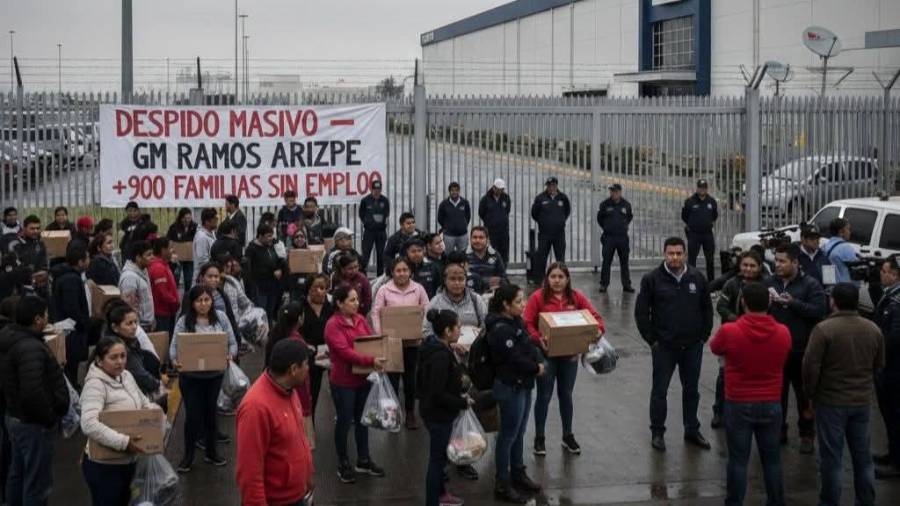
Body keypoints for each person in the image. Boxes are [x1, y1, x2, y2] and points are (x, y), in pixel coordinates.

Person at [709, 282, 792, 506]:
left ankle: (734, 501)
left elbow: (715, 347)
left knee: (738, 460)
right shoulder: (783, 332)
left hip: (738, 402)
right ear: (769, 303)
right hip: (772, 402)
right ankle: (776, 500)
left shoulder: (730, 330)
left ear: (743, 302)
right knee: (772, 459)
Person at [803, 283, 884, 505]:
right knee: (863, 458)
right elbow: (878, 365)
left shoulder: (823, 329)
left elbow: (810, 367)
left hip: (831, 401)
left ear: (833, 302)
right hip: (861, 401)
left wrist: (810, 395)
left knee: (831, 459)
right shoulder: (873, 329)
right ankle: (866, 499)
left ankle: (830, 501)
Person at [635, 236, 713, 452]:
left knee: (692, 390)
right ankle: (658, 432)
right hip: (665, 348)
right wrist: (653, 340)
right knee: (660, 391)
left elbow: (707, 308)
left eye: (679, 253)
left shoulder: (697, 278)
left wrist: (703, 336)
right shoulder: (652, 279)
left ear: (685, 254)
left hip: (692, 346)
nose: (675, 257)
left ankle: (692, 429)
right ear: (664, 254)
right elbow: (642, 313)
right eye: (671, 253)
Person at [524, 262, 605, 457]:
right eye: (553, 277)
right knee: (543, 396)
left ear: (567, 279)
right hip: (546, 355)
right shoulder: (537, 298)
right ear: (547, 278)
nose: (557, 281)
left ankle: (567, 435)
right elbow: (526, 323)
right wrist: (537, 339)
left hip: (569, 356)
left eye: (561, 277)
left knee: (566, 395)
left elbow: (596, 318)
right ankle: (540, 438)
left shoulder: (576, 297)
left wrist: (598, 331)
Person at [0, 296, 69, 506]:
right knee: (37, 484)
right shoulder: (30, 347)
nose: (48, 318)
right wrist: (48, 418)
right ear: (38, 319)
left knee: (18, 474)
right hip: (33, 424)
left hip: (15, 416)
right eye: (46, 314)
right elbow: (32, 392)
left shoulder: (9, 337)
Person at [80, 335, 161, 506]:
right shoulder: (95, 385)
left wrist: (154, 417)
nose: (119, 362)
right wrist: (124, 442)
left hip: (129, 461)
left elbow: (143, 402)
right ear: (99, 361)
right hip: (105, 466)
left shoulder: (126, 376)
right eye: (113, 357)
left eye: (123, 356)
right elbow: (89, 424)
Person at [765, 243, 828, 453]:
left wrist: (793, 303)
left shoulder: (810, 285)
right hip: (776, 352)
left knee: (804, 396)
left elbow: (819, 311)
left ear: (795, 263)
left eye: (783, 261)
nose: (778, 265)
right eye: (776, 261)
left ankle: (807, 435)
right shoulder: (769, 282)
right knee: (777, 395)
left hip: (802, 351)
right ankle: (779, 430)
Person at [236, 339, 314, 506]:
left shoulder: (289, 389)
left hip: (298, 495)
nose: (308, 369)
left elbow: (297, 437)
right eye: (306, 364)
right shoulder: (255, 408)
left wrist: (307, 477)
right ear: (293, 369)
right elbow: (250, 472)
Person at [485, 283, 543, 503]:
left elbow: (529, 346)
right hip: (510, 386)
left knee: (519, 433)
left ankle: (518, 472)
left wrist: (537, 359)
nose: (523, 304)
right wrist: (536, 368)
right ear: (505, 305)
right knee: (507, 435)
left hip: (524, 384)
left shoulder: (516, 321)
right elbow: (515, 358)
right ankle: (502, 481)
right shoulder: (500, 329)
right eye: (518, 301)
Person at [170, 285, 238, 472]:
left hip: (214, 376)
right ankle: (188, 456)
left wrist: (230, 355)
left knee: (210, 414)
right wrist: (175, 361)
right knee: (192, 416)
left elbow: (232, 343)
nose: (203, 304)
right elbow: (174, 347)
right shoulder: (184, 321)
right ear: (192, 303)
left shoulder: (221, 318)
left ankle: (211, 452)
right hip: (190, 377)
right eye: (199, 300)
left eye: (207, 300)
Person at [325, 285, 387, 484]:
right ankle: (343, 462)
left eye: (357, 299)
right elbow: (344, 352)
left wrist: (380, 356)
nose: (356, 303)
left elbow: (371, 342)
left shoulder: (360, 319)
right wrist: (370, 361)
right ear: (339, 303)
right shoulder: (333, 325)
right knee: (344, 422)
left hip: (363, 379)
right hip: (343, 381)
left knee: (363, 420)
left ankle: (364, 459)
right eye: (351, 300)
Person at [418, 309, 469, 506]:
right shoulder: (440, 356)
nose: (460, 330)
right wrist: (462, 402)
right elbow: (437, 392)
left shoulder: (437, 347)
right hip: (438, 415)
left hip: (434, 411)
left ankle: (441, 494)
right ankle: (433, 500)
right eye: (457, 327)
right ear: (447, 331)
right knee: (437, 460)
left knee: (440, 459)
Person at [371, 257, 430, 429]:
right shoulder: (384, 290)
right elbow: (376, 313)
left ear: (411, 272)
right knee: (392, 380)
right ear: (392, 272)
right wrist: (380, 335)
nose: (402, 273)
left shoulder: (418, 289)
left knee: (411, 380)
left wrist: (422, 330)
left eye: (405, 270)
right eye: (398, 270)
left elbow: (427, 308)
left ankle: (410, 413)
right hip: (392, 343)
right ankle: (392, 415)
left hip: (412, 342)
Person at [712, 251, 768, 429]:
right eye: (745, 265)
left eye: (752, 266)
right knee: (724, 376)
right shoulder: (731, 284)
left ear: (759, 267)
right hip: (734, 336)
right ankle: (719, 412)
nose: (748, 269)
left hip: (758, 339)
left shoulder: (767, 284)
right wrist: (736, 321)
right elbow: (721, 306)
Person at [263, 303, 314, 425]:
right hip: (293, 399)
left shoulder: (276, 334)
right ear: (300, 319)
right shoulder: (296, 341)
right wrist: (306, 407)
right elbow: (302, 383)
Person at [49, 245, 91, 388]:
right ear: (80, 262)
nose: (89, 261)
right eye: (87, 258)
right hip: (71, 332)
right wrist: (83, 323)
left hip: (69, 330)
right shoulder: (71, 280)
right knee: (71, 368)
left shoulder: (68, 277)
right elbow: (71, 308)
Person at [104, 305, 165, 403]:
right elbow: (140, 375)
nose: (134, 327)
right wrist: (159, 385)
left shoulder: (132, 341)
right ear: (115, 327)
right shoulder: (119, 349)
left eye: (135, 322)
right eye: (129, 323)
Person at [874, 256, 900, 479]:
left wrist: (878, 356)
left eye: (884, 271)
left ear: (894, 275)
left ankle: (897, 462)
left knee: (895, 414)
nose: (881, 274)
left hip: (894, 369)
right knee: (889, 414)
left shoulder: (897, 302)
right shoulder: (889, 296)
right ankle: (893, 454)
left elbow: (894, 338)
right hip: (889, 367)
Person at [300, 274, 335, 418]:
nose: (321, 291)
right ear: (308, 289)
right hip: (309, 356)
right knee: (311, 393)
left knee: (337, 389)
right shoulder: (300, 307)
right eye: (316, 288)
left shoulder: (331, 306)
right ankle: (309, 424)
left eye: (324, 288)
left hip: (330, 353)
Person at [530, 176, 571, 282]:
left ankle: (562, 278)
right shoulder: (540, 198)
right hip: (544, 234)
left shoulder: (563, 198)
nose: (551, 188)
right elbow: (534, 213)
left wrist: (560, 221)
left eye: (553, 185)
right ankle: (540, 280)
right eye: (549, 186)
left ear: (556, 186)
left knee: (560, 259)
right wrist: (543, 222)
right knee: (542, 257)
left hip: (559, 234)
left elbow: (567, 211)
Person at [597, 183, 634, 293]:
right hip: (609, 237)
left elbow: (629, 217)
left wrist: (622, 227)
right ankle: (604, 284)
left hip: (622, 238)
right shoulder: (604, 204)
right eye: (612, 191)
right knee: (606, 261)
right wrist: (607, 227)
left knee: (624, 261)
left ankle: (626, 284)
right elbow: (600, 219)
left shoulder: (626, 205)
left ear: (620, 192)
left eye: (615, 191)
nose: (613, 193)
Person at [244, 224, 285, 318]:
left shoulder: (270, 246)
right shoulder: (251, 249)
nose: (271, 238)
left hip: (273, 287)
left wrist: (279, 268)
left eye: (272, 235)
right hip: (260, 289)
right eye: (268, 236)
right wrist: (271, 272)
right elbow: (250, 271)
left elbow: (275, 260)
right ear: (260, 236)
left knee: (270, 314)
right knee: (261, 315)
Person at [681, 179, 718, 281]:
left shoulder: (712, 201)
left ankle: (711, 282)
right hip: (694, 234)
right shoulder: (689, 201)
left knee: (710, 259)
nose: (702, 190)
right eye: (700, 188)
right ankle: (691, 280)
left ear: (707, 189)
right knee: (692, 260)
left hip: (707, 234)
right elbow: (684, 217)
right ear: (697, 188)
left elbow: (714, 216)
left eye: (704, 188)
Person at [118, 240, 156, 332]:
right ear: (138, 257)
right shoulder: (129, 278)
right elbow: (129, 306)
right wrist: (136, 325)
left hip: (146, 324)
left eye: (152, 254)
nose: (152, 257)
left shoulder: (143, 271)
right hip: (138, 327)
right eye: (148, 255)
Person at [147, 238, 180, 336]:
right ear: (163, 250)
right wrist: (175, 302)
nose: (173, 251)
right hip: (162, 312)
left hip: (166, 311)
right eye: (170, 248)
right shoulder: (158, 268)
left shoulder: (164, 265)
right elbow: (162, 292)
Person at [11, 215, 49, 297]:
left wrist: (46, 273)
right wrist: (31, 276)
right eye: (32, 228)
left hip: (42, 289)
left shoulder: (43, 243)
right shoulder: (16, 245)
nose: (35, 231)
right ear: (24, 229)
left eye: (38, 228)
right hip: (22, 291)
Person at [359, 179, 390, 276]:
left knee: (381, 256)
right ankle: (363, 276)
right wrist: (367, 222)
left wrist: (381, 223)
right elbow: (361, 214)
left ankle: (380, 276)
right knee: (365, 255)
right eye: (375, 189)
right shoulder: (365, 200)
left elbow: (386, 213)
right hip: (369, 232)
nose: (377, 191)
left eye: (379, 189)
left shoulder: (384, 200)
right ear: (371, 189)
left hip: (381, 232)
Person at [478, 178, 511, 265]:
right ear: (494, 188)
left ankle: (503, 271)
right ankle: (490, 270)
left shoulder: (506, 198)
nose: (500, 191)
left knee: (504, 252)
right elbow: (481, 213)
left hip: (503, 231)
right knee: (490, 252)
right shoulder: (485, 199)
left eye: (502, 189)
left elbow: (507, 210)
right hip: (491, 231)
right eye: (498, 189)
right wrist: (490, 222)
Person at [466, 226, 508, 295]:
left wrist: (498, 284)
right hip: (470, 294)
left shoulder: (495, 255)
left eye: (481, 237)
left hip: (491, 293)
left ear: (487, 240)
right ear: (470, 239)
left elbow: (503, 277)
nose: (477, 240)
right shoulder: (464, 255)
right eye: (475, 237)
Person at [166, 207, 197, 291]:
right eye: (185, 218)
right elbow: (169, 240)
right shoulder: (174, 227)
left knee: (189, 278)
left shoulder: (194, 227)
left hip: (189, 258)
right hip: (176, 258)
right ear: (180, 218)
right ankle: (174, 293)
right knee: (175, 276)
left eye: (189, 218)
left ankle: (187, 296)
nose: (187, 220)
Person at [437, 182, 472, 253]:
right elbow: (440, 218)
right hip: (448, 235)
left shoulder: (465, 203)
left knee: (463, 255)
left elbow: (468, 216)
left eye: (456, 190)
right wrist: (447, 227)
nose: (455, 192)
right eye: (452, 190)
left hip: (462, 234)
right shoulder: (443, 204)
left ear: (459, 191)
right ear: (449, 191)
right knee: (447, 255)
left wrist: (463, 225)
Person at [824, 218, 859, 286]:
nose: (850, 232)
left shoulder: (826, 246)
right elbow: (856, 270)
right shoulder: (846, 248)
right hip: (845, 289)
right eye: (848, 229)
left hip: (831, 288)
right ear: (841, 232)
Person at [193, 208, 219, 282]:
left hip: (211, 276)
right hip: (203, 278)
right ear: (207, 222)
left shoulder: (212, 233)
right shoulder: (201, 237)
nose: (217, 221)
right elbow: (202, 261)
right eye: (215, 219)